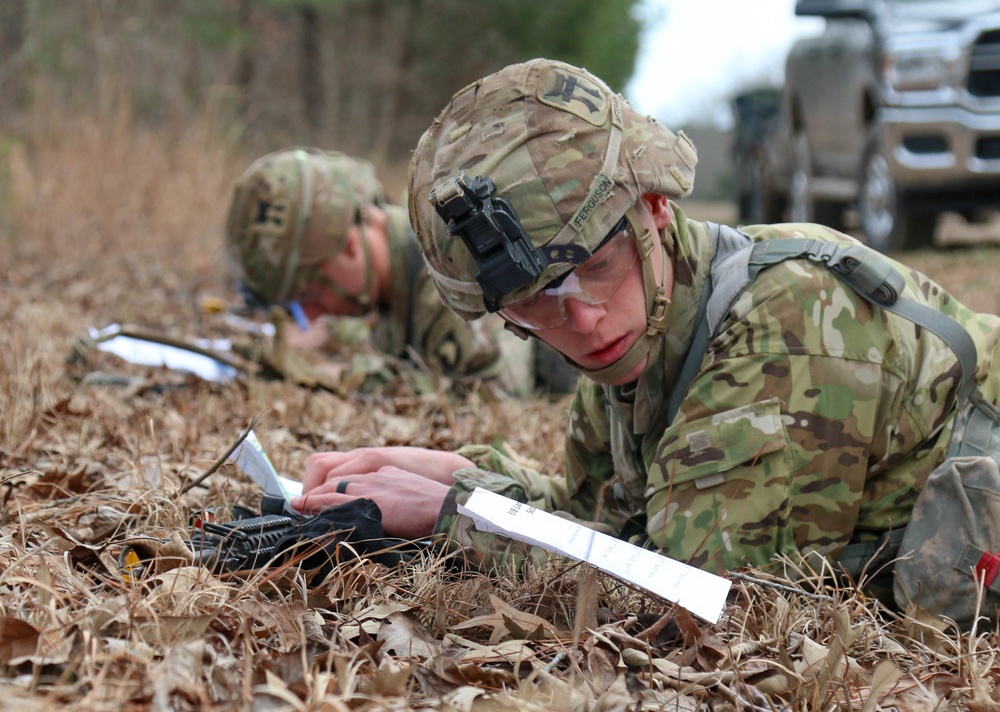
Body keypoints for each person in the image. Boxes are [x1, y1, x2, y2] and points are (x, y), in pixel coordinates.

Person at [289, 59, 1000, 594]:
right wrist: (461, 476)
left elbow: (700, 595)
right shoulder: (643, 335)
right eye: (535, 303)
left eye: (595, 266)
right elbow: (599, 521)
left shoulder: (783, 325)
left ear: (655, 207)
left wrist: (454, 515)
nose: (583, 319)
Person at [224, 147, 577, 394]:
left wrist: (342, 376)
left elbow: (497, 389)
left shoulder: (449, 267)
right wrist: (328, 335)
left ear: (347, 244)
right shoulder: (393, 275)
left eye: (310, 294)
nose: (314, 314)